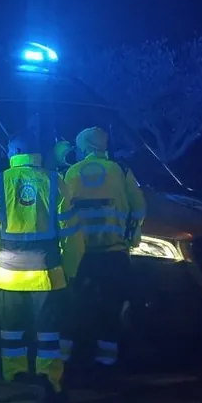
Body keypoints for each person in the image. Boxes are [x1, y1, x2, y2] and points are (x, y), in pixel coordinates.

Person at [0, 131, 84, 400]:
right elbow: (72, 236)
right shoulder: (54, 181)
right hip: (47, 276)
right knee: (48, 335)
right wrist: (68, 271)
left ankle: (13, 380)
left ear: (12, 152)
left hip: (7, 276)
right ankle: (49, 382)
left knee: (12, 335)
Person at [64, 127, 146, 377]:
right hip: (114, 254)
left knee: (76, 308)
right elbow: (139, 208)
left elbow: (63, 212)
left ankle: (69, 363)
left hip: (82, 256)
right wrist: (131, 237)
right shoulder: (120, 171)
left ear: (85, 146)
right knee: (112, 309)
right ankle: (106, 365)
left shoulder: (72, 172)